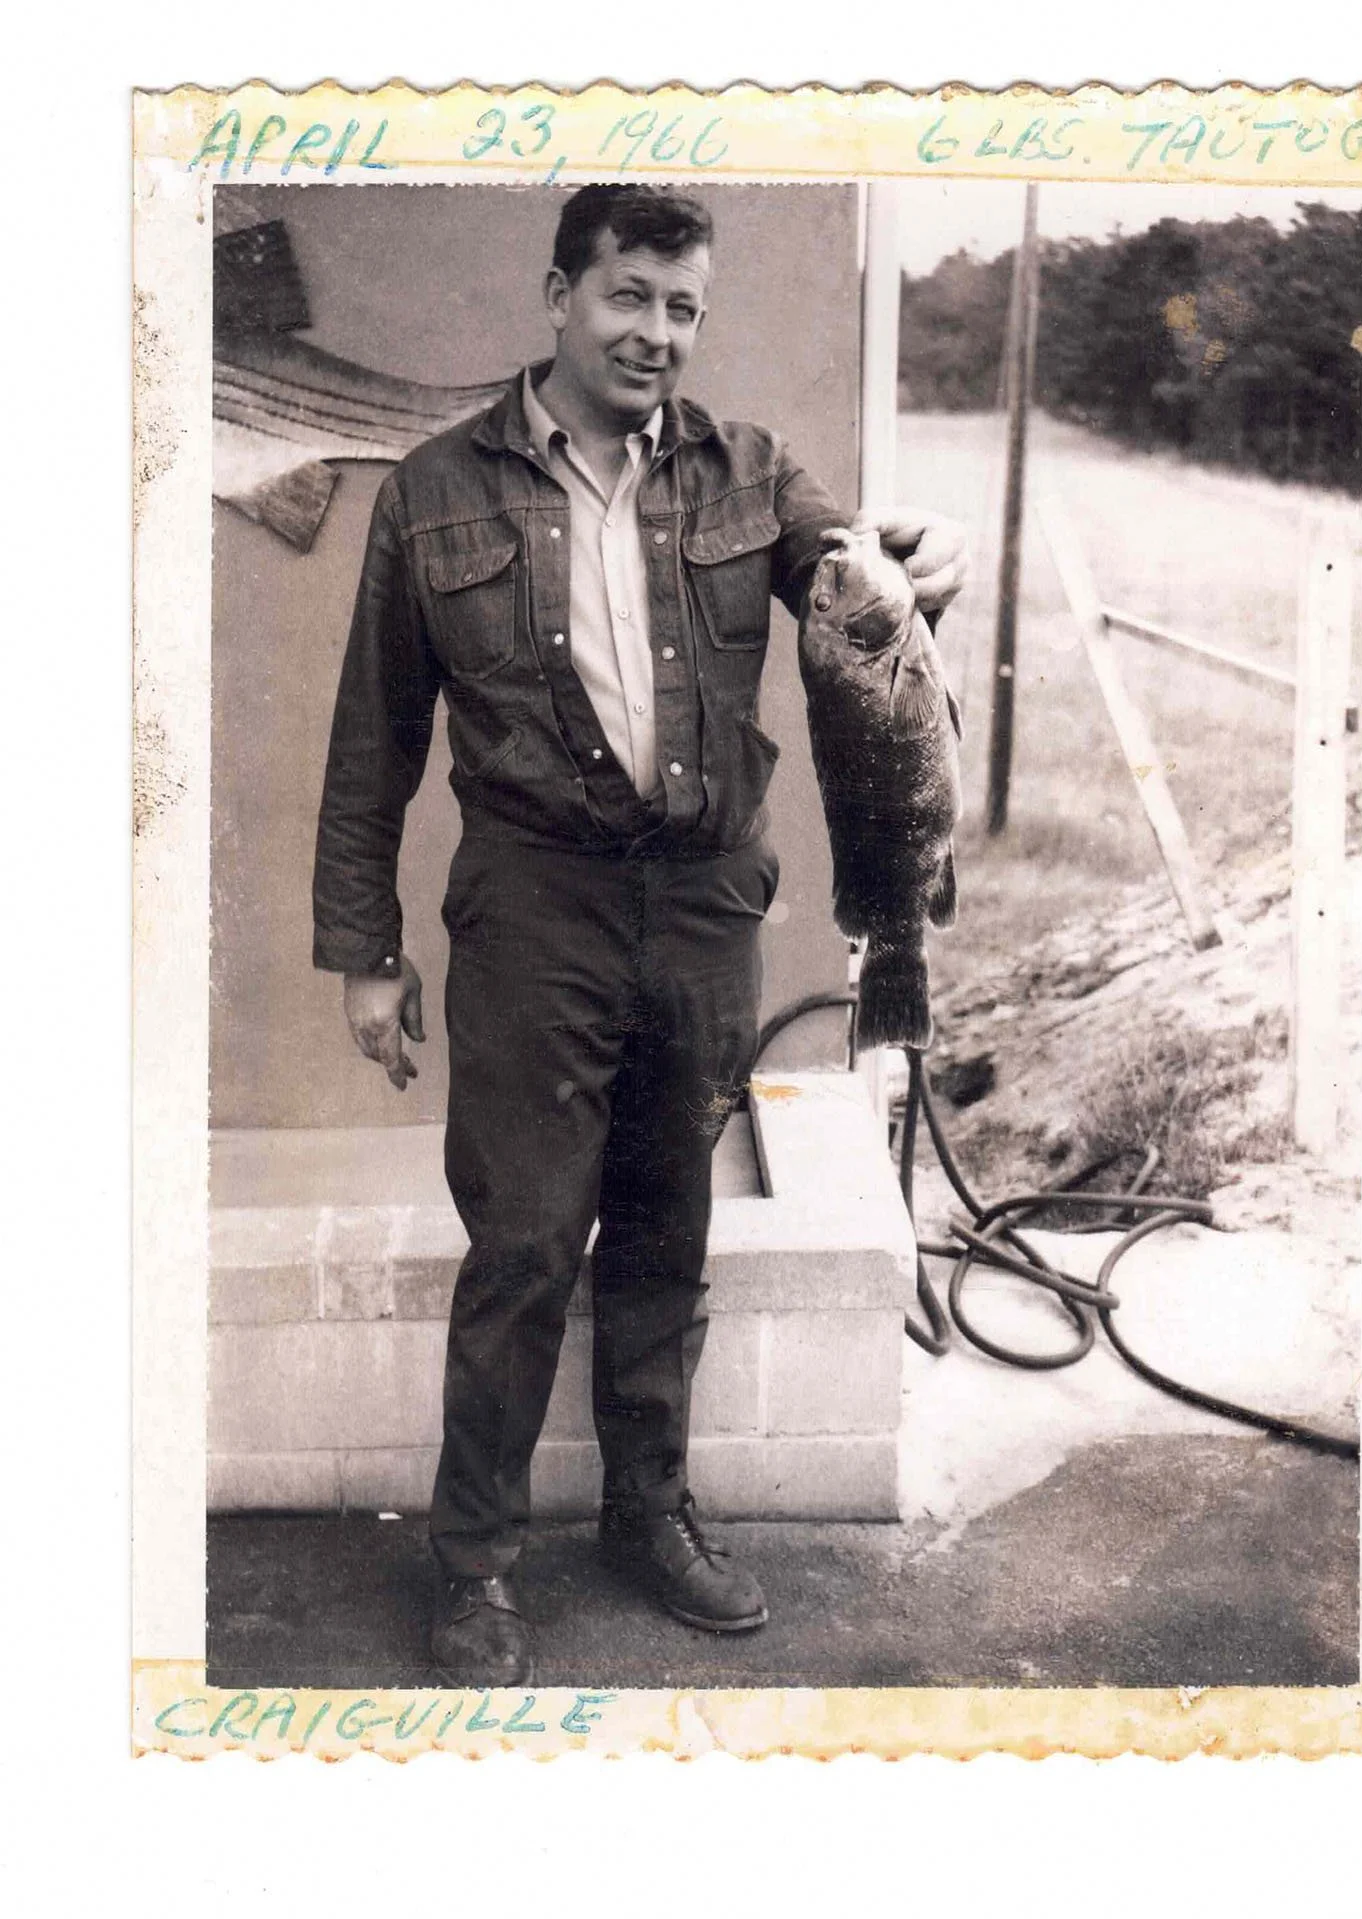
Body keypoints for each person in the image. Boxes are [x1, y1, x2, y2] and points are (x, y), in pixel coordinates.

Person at [313, 184, 968, 1686]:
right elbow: (372, 744)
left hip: (702, 903)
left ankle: (648, 1516)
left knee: (670, 1226)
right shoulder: (432, 493)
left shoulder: (753, 471)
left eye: (684, 308)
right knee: (526, 1240)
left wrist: (920, 554)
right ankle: (475, 1563)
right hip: (532, 906)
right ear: (561, 296)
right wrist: (365, 947)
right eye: (629, 297)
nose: (657, 333)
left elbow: (856, 575)